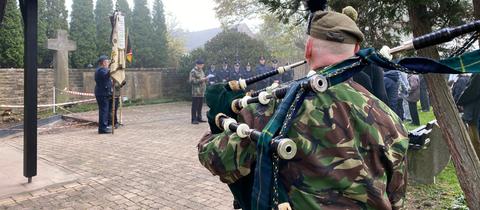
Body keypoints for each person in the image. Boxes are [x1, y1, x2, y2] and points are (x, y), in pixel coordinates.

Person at [198, 7, 408, 210]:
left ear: (308, 49)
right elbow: (396, 200)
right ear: (356, 51)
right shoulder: (390, 120)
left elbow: (217, 159)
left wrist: (214, 126)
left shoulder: (275, 108)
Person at [94, 55, 113, 134]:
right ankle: (102, 129)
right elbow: (106, 75)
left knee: (105, 110)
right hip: (102, 93)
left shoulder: (103, 69)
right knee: (104, 111)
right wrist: (113, 69)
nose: (108, 63)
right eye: (107, 62)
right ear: (103, 63)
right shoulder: (101, 70)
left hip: (103, 93)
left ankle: (104, 126)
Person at [189, 59, 208, 124]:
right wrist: (201, 80)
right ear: (197, 64)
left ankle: (199, 118)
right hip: (196, 92)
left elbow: (203, 78)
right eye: (201, 65)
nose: (202, 66)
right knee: (195, 106)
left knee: (200, 106)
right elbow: (191, 81)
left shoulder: (201, 70)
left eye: (202, 65)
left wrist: (205, 79)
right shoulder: (193, 71)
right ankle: (193, 119)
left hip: (201, 91)